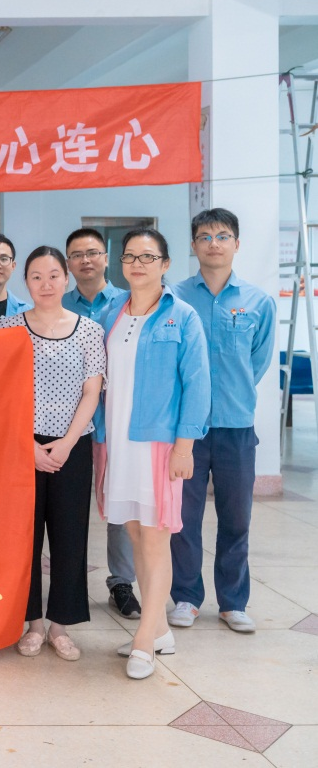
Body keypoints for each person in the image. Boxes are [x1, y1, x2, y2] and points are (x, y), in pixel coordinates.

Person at [95, 228, 210, 680]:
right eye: (129, 256)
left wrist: (186, 445)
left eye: (148, 257)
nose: (137, 264)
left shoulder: (182, 316)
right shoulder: (111, 313)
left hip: (159, 444)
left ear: (165, 264)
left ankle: (145, 639)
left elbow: (197, 384)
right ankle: (159, 629)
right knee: (135, 533)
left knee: (156, 536)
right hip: (119, 442)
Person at [170, 208, 274, 634]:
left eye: (223, 235)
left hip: (236, 427)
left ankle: (233, 602)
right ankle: (186, 598)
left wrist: (233, 392)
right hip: (186, 430)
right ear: (193, 245)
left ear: (237, 243)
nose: (214, 243)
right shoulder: (173, 298)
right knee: (183, 518)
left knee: (237, 518)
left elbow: (258, 361)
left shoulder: (258, 302)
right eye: (206, 236)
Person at [0, 248, 105, 662]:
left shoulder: (89, 330)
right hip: (20, 445)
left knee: (69, 536)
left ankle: (60, 625)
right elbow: (1, 393)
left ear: (66, 279)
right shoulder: (9, 328)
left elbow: (92, 391)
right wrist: (27, 445)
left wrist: (66, 442)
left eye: (54, 275)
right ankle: (32, 624)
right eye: (37, 276)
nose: (46, 284)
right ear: (25, 281)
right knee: (24, 537)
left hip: (72, 446)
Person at [63, 228, 138, 621]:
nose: (85, 260)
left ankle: (121, 583)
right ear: (68, 263)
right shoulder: (57, 305)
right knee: (69, 510)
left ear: (106, 258)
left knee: (120, 507)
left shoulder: (129, 303)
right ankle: (67, 586)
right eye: (77, 254)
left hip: (117, 424)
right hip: (68, 429)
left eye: (92, 252)